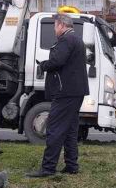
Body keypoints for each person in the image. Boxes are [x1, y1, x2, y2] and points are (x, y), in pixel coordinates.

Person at [27, 14, 89, 177]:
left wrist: (44, 65)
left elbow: (57, 61)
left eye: (55, 26)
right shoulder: (76, 39)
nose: (54, 29)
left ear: (61, 25)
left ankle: (48, 168)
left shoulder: (66, 40)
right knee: (69, 129)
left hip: (65, 91)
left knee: (54, 128)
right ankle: (71, 165)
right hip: (75, 91)